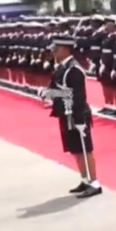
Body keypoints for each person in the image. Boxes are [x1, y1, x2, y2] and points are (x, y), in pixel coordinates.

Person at [43, 36, 102, 199]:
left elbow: (76, 96)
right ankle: (85, 179)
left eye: (56, 49)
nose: (54, 53)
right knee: (76, 149)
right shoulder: (62, 67)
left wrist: (80, 120)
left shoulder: (74, 69)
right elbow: (58, 89)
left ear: (65, 49)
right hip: (66, 113)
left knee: (85, 149)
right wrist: (48, 93)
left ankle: (94, 183)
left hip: (77, 114)